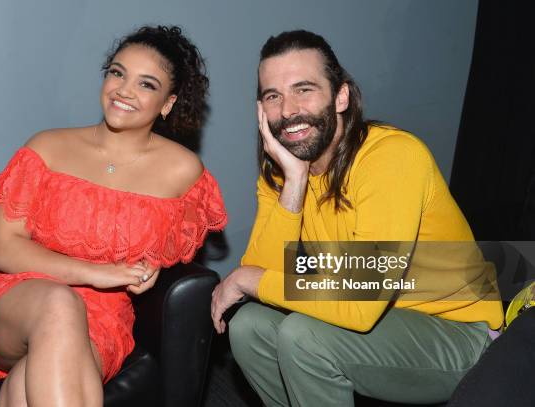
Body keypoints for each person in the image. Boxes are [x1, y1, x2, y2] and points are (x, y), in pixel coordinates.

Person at [211, 29, 504, 406]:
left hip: (459, 333)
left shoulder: (392, 158)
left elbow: (361, 304)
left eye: (304, 89)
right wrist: (296, 181)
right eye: (273, 96)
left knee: (304, 336)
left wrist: (247, 278)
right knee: (249, 326)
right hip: (374, 317)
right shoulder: (283, 174)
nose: (287, 110)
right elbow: (263, 275)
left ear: (341, 96)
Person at [0, 25, 227, 407]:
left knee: (26, 388)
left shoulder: (182, 171)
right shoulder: (47, 146)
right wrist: (98, 272)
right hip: (19, 299)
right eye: (118, 73)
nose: (124, 90)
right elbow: (1, 249)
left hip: (103, 320)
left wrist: (148, 267)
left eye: (146, 84)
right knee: (59, 304)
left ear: (168, 103)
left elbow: (167, 253)